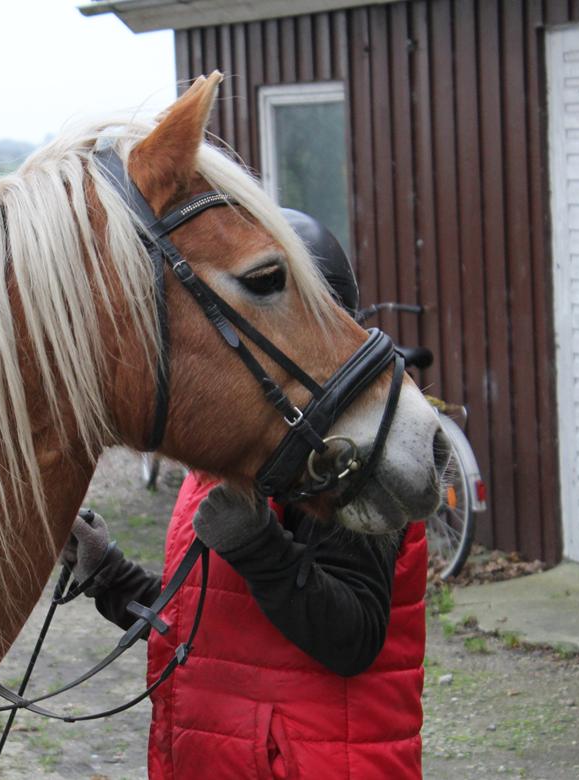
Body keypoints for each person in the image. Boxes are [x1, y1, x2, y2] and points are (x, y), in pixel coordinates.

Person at [61, 210, 427, 779]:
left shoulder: (343, 464)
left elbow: (353, 639)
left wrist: (258, 546)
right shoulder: (246, 459)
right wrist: (105, 573)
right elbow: (213, 626)